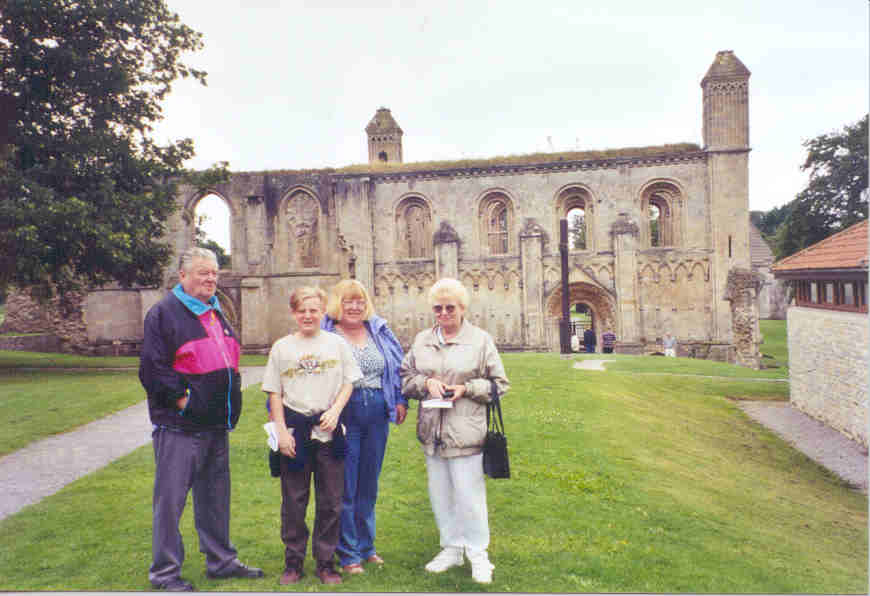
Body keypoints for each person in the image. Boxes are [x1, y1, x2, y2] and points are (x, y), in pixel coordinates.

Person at [139, 247, 263, 592]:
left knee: (214, 499)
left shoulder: (214, 311)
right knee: (170, 502)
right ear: (182, 276)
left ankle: (221, 562)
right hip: (180, 428)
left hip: (215, 427)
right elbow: (152, 369)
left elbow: (228, 362)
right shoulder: (164, 314)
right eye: (202, 273)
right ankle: (164, 575)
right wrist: (185, 402)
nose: (210, 278)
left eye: (213, 273)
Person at [399, 278, 509, 584]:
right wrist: (425, 383)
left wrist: (466, 388)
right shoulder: (422, 340)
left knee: (469, 496)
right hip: (432, 430)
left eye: (450, 307)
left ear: (462, 309)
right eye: (438, 308)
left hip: (466, 432)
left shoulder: (480, 340)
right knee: (441, 495)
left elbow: (499, 383)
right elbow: (405, 376)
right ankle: (451, 548)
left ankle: (478, 554)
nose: (444, 313)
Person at [261, 286, 362, 586]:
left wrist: (336, 411)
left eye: (313, 310)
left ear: (322, 312)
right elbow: (274, 393)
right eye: (302, 310)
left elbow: (349, 382)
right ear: (294, 313)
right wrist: (281, 431)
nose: (308, 315)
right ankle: (293, 562)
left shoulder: (336, 344)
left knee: (331, 500)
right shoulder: (282, 348)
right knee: (294, 500)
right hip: (295, 433)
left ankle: (326, 563)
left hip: (329, 431)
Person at [321, 279, 407, 575]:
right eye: (348, 301)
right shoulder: (327, 333)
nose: (355, 306)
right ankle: (348, 553)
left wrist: (399, 399)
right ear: (337, 304)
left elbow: (397, 366)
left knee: (369, 483)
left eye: (359, 301)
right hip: (345, 411)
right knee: (346, 484)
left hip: (378, 410)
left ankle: (367, 547)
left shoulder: (378, 330)